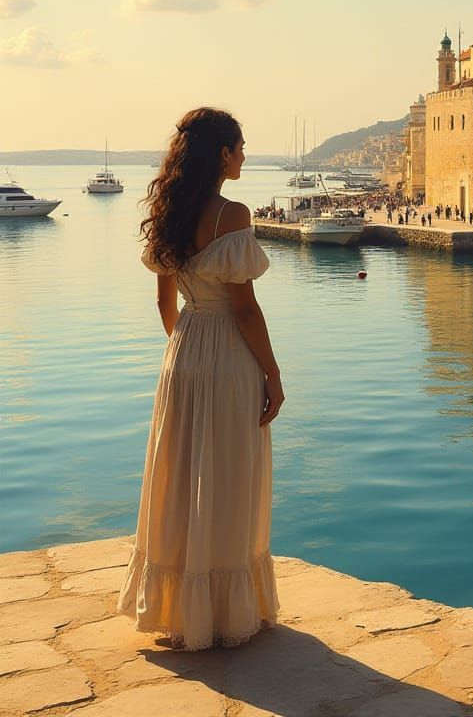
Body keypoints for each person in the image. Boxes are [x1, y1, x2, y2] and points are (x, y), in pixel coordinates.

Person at [119, 108, 282, 651]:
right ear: (222, 154)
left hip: (183, 350)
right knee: (230, 474)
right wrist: (272, 373)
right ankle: (226, 613)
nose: (244, 155)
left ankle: (178, 610)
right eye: (240, 147)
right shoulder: (232, 215)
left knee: (181, 472)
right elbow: (244, 306)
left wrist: (185, 351)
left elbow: (164, 300)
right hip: (228, 355)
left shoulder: (169, 211)